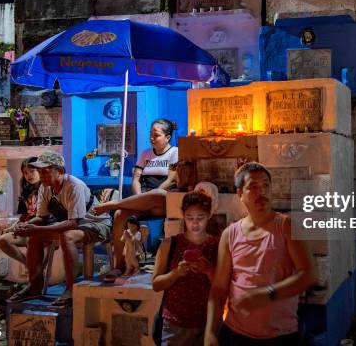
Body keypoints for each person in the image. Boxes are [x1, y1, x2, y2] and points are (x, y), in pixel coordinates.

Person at [205, 162, 316, 346]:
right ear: (240, 194)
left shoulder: (286, 227)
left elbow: (309, 275)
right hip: (235, 333)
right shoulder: (230, 234)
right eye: (253, 187)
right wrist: (210, 333)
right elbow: (218, 289)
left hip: (280, 335)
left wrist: (267, 293)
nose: (261, 192)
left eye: (265, 186)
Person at [8, 151, 112, 306]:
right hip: (72, 225)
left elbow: (73, 223)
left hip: (96, 224)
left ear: (61, 171)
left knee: (67, 236)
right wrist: (25, 225)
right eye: (40, 171)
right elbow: (42, 217)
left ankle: (71, 289)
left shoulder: (73, 185)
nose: (41, 175)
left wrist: (36, 229)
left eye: (46, 171)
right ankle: (34, 285)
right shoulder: (45, 187)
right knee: (34, 238)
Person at [93, 119, 179, 280]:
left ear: (167, 137)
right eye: (150, 135)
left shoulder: (175, 152)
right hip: (143, 200)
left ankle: (114, 203)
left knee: (158, 194)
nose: (152, 138)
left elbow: (172, 179)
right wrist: (140, 198)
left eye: (156, 135)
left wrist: (151, 195)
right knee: (119, 214)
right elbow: (136, 179)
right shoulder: (145, 153)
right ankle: (119, 266)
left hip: (163, 201)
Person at [153, 192, 219, 346]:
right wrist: (177, 273)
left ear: (209, 215)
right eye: (190, 218)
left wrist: (209, 270)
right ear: (183, 215)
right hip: (175, 324)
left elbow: (224, 286)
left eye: (200, 217)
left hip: (207, 324)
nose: (195, 223)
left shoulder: (217, 245)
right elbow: (156, 284)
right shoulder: (170, 244)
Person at [0, 157, 41, 266]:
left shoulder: (47, 189)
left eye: (32, 171)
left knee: (31, 242)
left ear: (40, 170)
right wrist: (12, 227)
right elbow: (24, 215)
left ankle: (36, 271)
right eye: (25, 173)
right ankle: (27, 264)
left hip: (40, 228)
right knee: (2, 240)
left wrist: (25, 225)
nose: (29, 175)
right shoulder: (26, 192)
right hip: (25, 228)